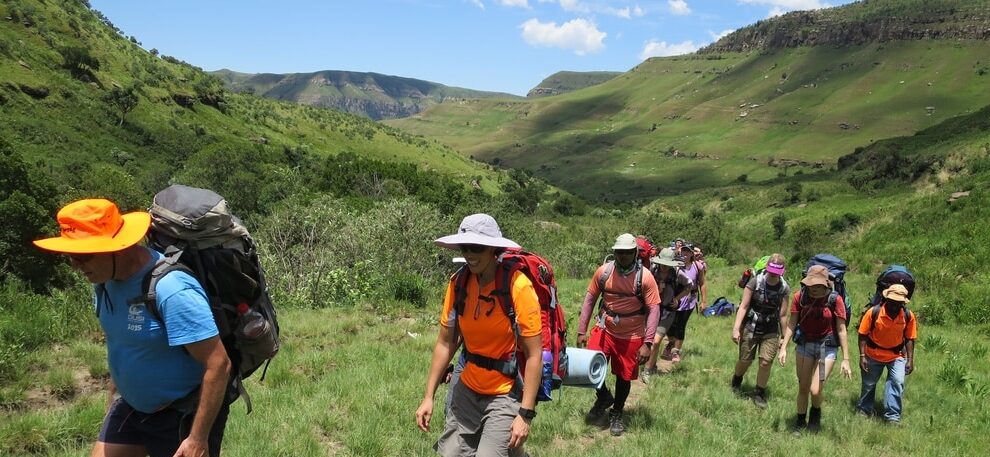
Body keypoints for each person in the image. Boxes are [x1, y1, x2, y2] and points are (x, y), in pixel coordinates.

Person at [32, 199, 232, 457]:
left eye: (82, 256)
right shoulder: (105, 283)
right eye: (70, 256)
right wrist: (113, 402)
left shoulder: (171, 290)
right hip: (130, 409)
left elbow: (219, 364)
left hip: (180, 417)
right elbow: (122, 344)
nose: (74, 265)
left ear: (118, 248)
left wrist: (197, 438)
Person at [416, 214, 542, 457]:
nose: (470, 254)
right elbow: (446, 342)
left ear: (493, 250)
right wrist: (428, 396)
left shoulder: (518, 287)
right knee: (451, 453)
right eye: (465, 247)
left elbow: (534, 354)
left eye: (477, 247)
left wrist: (525, 414)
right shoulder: (459, 284)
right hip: (467, 386)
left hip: (504, 391)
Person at [576, 233, 661, 436]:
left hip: (631, 334)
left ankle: (617, 412)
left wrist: (648, 343)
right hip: (605, 328)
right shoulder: (604, 272)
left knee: (624, 376)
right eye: (619, 252)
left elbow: (654, 309)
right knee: (590, 366)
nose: (622, 256)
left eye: (627, 252)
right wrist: (581, 331)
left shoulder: (645, 277)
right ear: (614, 252)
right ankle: (604, 396)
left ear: (635, 253)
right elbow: (589, 300)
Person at [778, 265, 852, 434]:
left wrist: (846, 359)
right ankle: (799, 421)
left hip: (826, 347)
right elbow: (792, 323)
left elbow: (841, 329)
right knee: (803, 386)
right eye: (811, 286)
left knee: (816, 389)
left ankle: (816, 413)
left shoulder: (835, 299)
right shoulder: (800, 297)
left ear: (826, 284)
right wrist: (783, 347)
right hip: (805, 344)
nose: (815, 290)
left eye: (818, 286)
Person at [730, 254, 791, 408]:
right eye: (771, 271)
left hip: (771, 328)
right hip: (751, 325)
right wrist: (736, 329)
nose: (773, 274)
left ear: (782, 272)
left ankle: (759, 392)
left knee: (765, 362)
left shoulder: (784, 288)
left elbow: (783, 314)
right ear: (767, 268)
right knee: (745, 360)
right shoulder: (754, 282)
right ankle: (737, 379)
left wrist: (784, 336)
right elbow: (743, 306)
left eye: (777, 272)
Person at [856, 284, 917, 425]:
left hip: (896, 355)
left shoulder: (908, 316)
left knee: (897, 382)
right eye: (892, 301)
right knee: (868, 384)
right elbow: (862, 334)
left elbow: (910, 338)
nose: (895, 305)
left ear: (903, 302)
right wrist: (862, 356)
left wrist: (910, 360)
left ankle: (892, 417)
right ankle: (864, 410)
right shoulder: (873, 312)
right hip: (873, 353)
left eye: (899, 302)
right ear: (886, 299)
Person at [642, 247, 685, 381]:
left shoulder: (677, 274)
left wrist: (677, 299)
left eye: (668, 265)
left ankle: (647, 370)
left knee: (655, 342)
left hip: (667, 313)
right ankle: (652, 364)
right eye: (663, 264)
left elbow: (689, 286)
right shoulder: (651, 272)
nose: (665, 267)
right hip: (651, 311)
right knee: (646, 340)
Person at [661, 244, 705, 363]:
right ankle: (671, 343)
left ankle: (676, 352)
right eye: (683, 251)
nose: (685, 253)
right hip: (673, 298)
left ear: (692, 254)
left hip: (689, 300)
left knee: (681, 325)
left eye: (688, 251)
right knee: (669, 325)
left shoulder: (698, 266)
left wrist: (704, 301)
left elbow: (702, 283)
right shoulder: (675, 265)